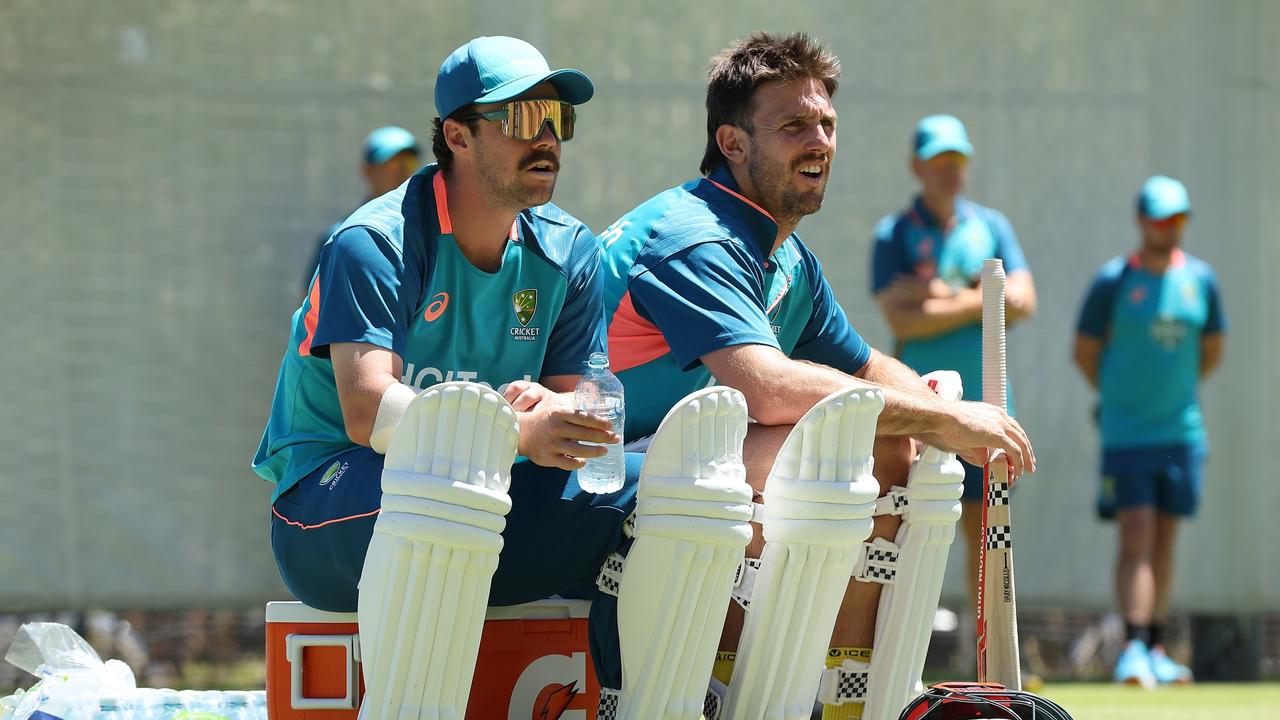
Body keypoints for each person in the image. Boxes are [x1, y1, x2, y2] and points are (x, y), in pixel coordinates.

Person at [599, 32, 1035, 720]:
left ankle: (845, 698)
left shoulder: (783, 251)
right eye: (794, 125)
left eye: (827, 124)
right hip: (597, 482)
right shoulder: (697, 235)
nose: (820, 141)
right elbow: (765, 388)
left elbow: (863, 364)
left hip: (680, 472)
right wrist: (949, 421)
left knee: (892, 436)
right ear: (733, 143)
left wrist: (938, 401)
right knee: (857, 439)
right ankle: (736, 695)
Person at [253, 36, 644, 717]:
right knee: (444, 471)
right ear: (458, 135)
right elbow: (367, 412)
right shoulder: (372, 242)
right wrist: (518, 429)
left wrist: (564, 411)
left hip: (483, 500)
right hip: (328, 504)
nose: (548, 138)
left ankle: (644, 703)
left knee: (667, 491)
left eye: (558, 120)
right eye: (523, 120)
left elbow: (585, 402)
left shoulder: (570, 249)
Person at [871, 114, 1037, 612]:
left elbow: (1024, 302)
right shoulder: (894, 234)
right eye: (942, 159)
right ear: (917, 166)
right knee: (906, 531)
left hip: (987, 407)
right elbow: (903, 319)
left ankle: (992, 666)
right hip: (918, 406)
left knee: (988, 534)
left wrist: (941, 296)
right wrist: (985, 300)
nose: (952, 170)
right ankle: (896, 663)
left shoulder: (991, 226)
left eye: (959, 159)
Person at [1073, 175, 1225, 687]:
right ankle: (1134, 648)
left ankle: (1156, 646)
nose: (1170, 227)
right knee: (1135, 532)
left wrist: (1168, 396)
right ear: (1142, 221)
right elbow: (1085, 352)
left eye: (1178, 218)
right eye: (1161, 218)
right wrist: (1123, 399)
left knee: (1164, 537)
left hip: (1182, 433)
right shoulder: (1112, 282)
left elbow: (1211, 350)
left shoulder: (1201, 281)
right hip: (1126, 435)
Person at [302, 126, 422, 289]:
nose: (402, 171)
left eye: (409, 162)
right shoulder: (341, 234)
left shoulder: (427, 229)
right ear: (367, 171)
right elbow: (311, 303)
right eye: (392, 164)